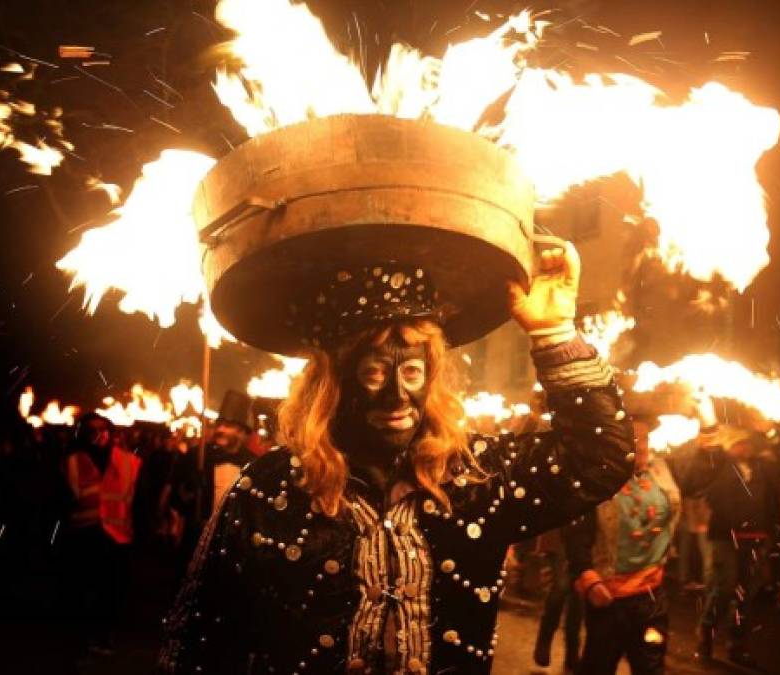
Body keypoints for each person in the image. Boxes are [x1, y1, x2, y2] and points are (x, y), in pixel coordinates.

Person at [158, 241, 634, 674]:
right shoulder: (267, 487)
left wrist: (553, 333)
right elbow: (200, 645)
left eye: (411, 370)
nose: (397, 395)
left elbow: (601, 458)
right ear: (335, 382)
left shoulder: (477, 474)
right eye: (373, 372)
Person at [561, 414, 682, 675]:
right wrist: (587, 574)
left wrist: (709, 423)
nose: (641, 445)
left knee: (651, 667)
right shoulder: (597, 477)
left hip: (652, 597)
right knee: (598, 666)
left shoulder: (661, 470)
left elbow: (708, 471)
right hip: (609, 597)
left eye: (645, 438)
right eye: (633, 438)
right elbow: (576, 530)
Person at [694, 422, 780, 667]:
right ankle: (706, 638)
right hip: (725, 538)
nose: (746, 447)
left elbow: (771, 499)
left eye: (748, 442)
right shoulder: (719, 467)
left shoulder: (761, 468)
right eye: (740, 443)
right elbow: (709, 489)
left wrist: (769, 530)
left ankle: (737, 645)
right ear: (731, 446)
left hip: (754, 538)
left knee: (746, 595)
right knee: (724, 589)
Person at [61, 411, 143, 658]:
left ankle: (104, 635)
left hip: (117, 538)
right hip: (84, 537)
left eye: (103, 428)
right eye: (92, 429)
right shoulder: (73, 460)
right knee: (85, 589)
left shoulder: (129, 462)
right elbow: (61, 500)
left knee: (112, 591)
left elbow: (140, 501)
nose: (99, 434)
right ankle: (86, 637)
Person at [164, 390, 256, 570]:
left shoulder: (254, 465)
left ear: (242, 432)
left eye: (228, 425)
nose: (220, 429)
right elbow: (176, 501)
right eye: (219, 424)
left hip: (234, 544)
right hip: (197, 539)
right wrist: (190, 488)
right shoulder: (197, 457)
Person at [532, 529, 583, 673]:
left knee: (578, 596)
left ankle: (572, 655)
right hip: (560, 538)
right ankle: (544, 641)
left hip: (584, 538)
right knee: (561, 588)